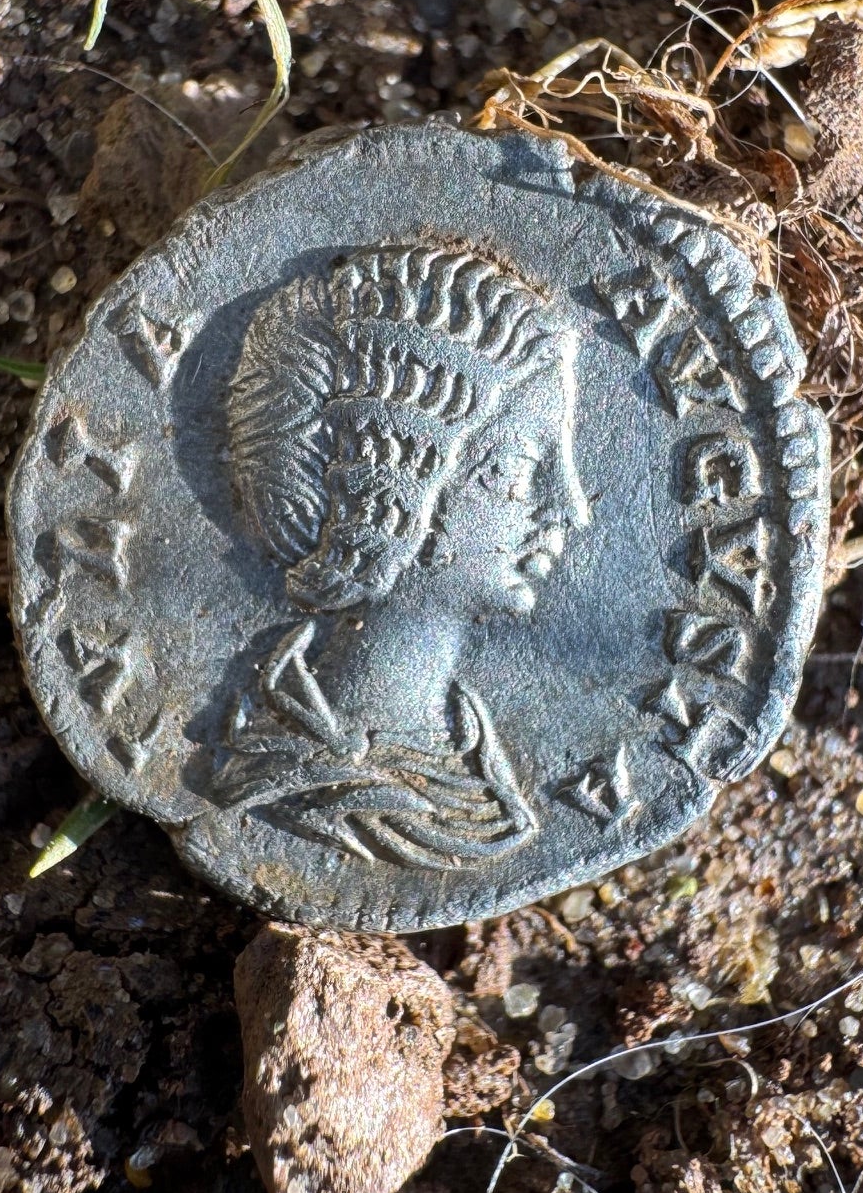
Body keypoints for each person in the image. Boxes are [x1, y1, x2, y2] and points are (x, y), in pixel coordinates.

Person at [212, 243, 591, 868]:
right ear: (391, 502)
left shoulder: (479, 763)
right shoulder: (293, 782)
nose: (571, 507)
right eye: (519, 466)